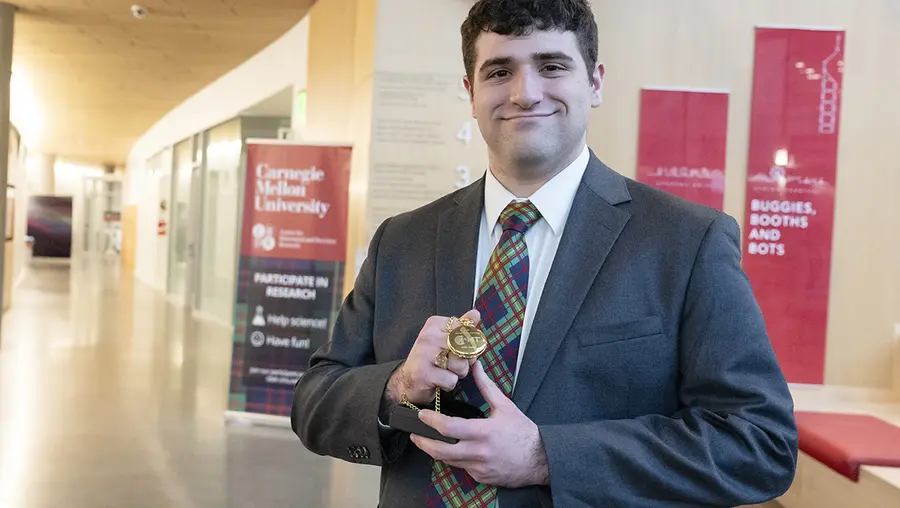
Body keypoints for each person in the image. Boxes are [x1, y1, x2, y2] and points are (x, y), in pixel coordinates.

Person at [291, 0, 799, 506]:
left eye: (552, 66)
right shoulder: (402, 241)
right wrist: (398, 385)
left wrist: (546, 455)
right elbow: (315, 402)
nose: (524, 92)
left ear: (595, 82)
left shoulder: (687, 241)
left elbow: (757, 443)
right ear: (470, 93)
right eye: (499, 71)